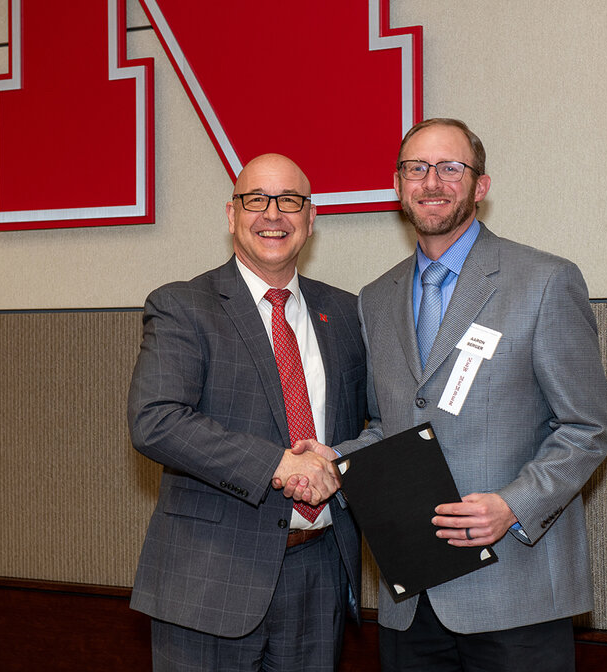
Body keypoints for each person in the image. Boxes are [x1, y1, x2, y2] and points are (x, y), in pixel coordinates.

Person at [292, 119, 607, 671]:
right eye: (416, 168)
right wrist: (337, 460)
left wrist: (513, 506)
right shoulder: (376, 297)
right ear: (398, 185)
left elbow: (586, 428)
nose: (432, 182)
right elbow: (384, 424)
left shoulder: (543, 281)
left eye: (450, 168)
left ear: (480, 186)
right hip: (411, 599)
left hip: (515, 592)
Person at [127, 153, 367, 672]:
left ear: (311, 217)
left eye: (290, 201)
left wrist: (338, 460)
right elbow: (157, 420)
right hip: (210, 578)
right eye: (255, 200)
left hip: (319, 572)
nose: (272, 214)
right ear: (231, 214)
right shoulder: (183, 306)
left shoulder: (347, 313)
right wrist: (280, 464)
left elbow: (380, 422)